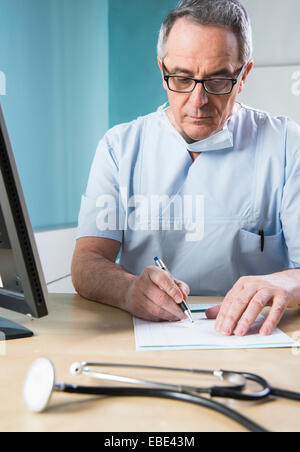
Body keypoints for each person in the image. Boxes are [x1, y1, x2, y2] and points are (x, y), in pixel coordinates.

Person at [71, 0, 300, 336]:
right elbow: (87, 263)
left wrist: (285, 283)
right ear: (163, 71)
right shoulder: (119, 148)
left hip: (254, 337)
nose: (198, 101)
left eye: (218, 81)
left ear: (243, 75)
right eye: (181, 78)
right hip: (143, 335)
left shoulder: (287, 145)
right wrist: (128, 290)